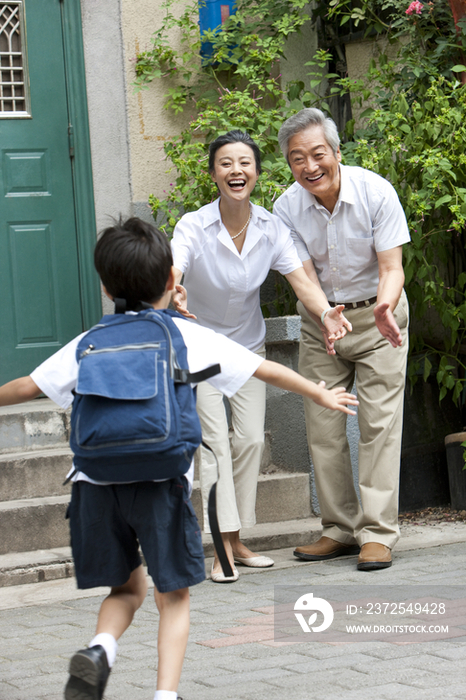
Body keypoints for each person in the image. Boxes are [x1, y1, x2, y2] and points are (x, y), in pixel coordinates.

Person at [0, 217, 358, 700]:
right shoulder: (185, 336)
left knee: (126, 591)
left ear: (106, 288)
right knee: (174, 596)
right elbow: (264, 367)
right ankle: (165, 696)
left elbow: (27, 387)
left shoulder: (89, 341)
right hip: (161, 483)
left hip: (95, 484)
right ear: (173, 280)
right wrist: (319, 392)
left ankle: (100, 649)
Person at [171, 130, 352, 582]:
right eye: (226, 163)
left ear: (256, 172)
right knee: (214, 446)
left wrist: (326, 312)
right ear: (213, 173)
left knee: (250, 440)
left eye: (245, 163)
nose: (237, 171)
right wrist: (172, 287)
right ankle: (222, 548)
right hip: (200, 348)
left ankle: (235, 539)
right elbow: (175, 263)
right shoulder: (193, 225)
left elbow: (301, 281)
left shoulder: (271, 228)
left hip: (247, 347)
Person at [273, 108, 411, 571]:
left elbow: (392, 267)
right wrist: (324, 314)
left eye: (317, 154)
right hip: (321, 320)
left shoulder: (376, 191)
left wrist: (385, 307)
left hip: (378, 317)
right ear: (289, 164)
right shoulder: (285, 208)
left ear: (336, 152)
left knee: (378, 425)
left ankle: (377, 532)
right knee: (323, 425)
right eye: (298, 159)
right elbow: (302, 276)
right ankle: (339, 528)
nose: (310, 166)